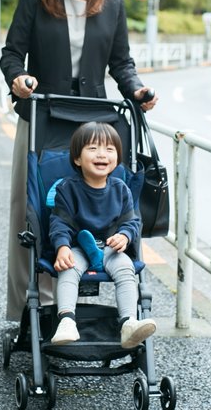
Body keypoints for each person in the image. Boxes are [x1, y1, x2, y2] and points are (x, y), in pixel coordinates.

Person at [0, 0, 159, 322]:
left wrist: (137, 90)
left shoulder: (113, 4)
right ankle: (33, 310)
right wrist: (18, 79)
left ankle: (73, 306)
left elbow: (121, 63)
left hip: (93, 124)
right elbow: (11, 54)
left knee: (92, 206)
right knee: (34, 211)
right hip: (43, 115)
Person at [47, 122, 156, 348]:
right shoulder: (67, 189)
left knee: (125, 269)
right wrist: (62, 247)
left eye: (109, 149)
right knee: (69, 267)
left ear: (117, 157)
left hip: (110, 247)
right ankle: (66, 320)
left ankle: (128, 322)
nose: (102, 155)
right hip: (78, 246)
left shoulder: (120, 188)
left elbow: (131, 221)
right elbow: (60, 222)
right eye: (93, 149)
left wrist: (125, 236)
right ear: (77, 158)